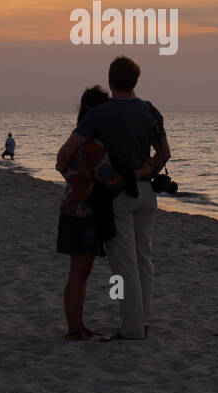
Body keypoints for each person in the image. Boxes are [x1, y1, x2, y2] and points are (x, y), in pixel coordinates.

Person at [56, 56, 170, 341]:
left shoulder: (101, 113)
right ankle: (141, 320)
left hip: (120, 195)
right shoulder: (150, 110)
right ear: (136, 81)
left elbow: (64, 154)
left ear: (110, 80)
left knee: (125, 264)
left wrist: (81, 177)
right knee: (144, 258)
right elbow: (165, 153)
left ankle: (131, 328)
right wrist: (144, 170)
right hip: (147, 193)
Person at [57, 87, 140, 340]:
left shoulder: (76, 141)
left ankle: (78, 326)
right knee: (79, 273)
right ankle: (74, 329)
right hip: (85, 214)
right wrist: (140, 171)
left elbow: (62, 166)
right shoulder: (93, 145)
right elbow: (111, 178)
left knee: (80, 272)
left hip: (71, 209)